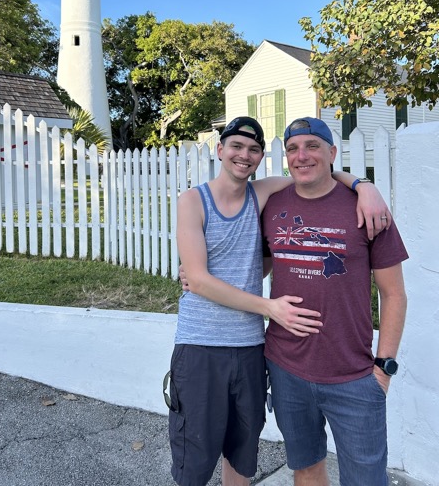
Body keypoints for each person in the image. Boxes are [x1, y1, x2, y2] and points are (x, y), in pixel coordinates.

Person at [167, 116, 392, 486]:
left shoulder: (262, 193)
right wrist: (269, 307)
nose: (245, 155)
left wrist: (363, 185)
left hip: (252, 347)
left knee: (242, 452)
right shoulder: (193, 200)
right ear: (220, 150)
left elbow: (315, 173)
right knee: (195, 455)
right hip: (202, 343)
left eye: (254, 149)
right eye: (236, 146)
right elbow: (201, 280)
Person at [262, 117, 408, 486]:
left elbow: (394, 294)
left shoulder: (368, 210)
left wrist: (383, 368)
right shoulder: (272, 206)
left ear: (332, 153)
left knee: (365, 479)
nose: (301, 156)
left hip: (354, 375)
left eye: (312, 146)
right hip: (286, 368)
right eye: (293, 148)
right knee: (306, 468)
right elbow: (252, 264)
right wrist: (197, 272)